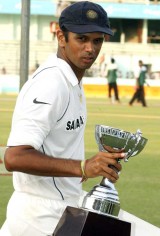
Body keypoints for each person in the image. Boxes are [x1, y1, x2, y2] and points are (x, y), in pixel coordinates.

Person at [0, 2, 126, 236]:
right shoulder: (51, 84)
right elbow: (14, 157)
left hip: (58, 209)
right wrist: (83, 167)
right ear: (61, 37)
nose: (90, 48)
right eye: (82, 39)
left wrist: (91, 166)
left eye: (97, 40)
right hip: (39, 217)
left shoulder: (71, 80)